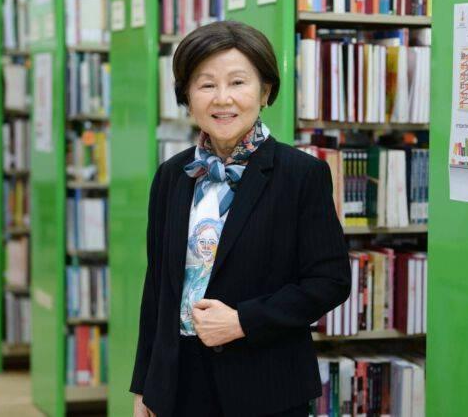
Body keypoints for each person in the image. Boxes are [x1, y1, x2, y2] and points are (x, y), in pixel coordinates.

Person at [131, 20, 351, 417]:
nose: (222, 99)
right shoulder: (171, 176)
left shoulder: (301, 174)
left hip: (265, 384)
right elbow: (157, 289)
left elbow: (329, 281)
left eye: (237, 82)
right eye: (206, 84)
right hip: (179, 383)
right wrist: (145, 384)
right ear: (187, 95)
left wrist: (242, 321)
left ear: (265, 91)